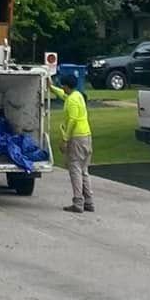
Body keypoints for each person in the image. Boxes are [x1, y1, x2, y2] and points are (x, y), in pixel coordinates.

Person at [54, 76, 94, 215]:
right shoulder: (77, 96)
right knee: (84, 170)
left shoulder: (71, 101)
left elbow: (72, 120)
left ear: (66, 86)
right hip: (86, 136)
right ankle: (89, 201)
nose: (62, 88)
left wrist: (65, 139)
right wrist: (51, 87)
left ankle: (78, 202)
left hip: (77, 138)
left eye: (62, 85)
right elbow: (63, 95)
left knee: (75, 169)